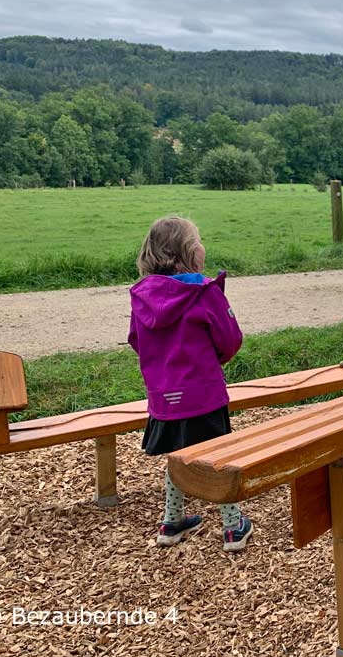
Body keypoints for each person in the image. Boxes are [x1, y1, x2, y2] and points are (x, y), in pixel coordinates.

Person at [128, 216, 252, 552]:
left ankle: (172, 520)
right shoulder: (203, 292)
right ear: (190, 252)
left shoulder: (141, 297)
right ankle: (232, 526)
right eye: (198, 238)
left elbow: (136, 340)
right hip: (204, 394)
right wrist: (216, 358)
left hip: (163, 398)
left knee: (177, 456)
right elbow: (230, 339)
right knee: (218, 457)